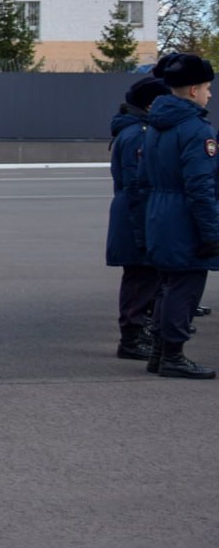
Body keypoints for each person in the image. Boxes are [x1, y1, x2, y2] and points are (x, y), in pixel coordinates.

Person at [142, 53, 218, 379]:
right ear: (192, 91)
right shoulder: (195, 129)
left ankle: (159, 353)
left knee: (167, 285)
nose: (209, 94)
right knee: (185, 285)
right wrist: (212, 233)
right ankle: (173, 356)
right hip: (185, 216)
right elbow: (201, 186)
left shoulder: (157, 124)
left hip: (159, 212)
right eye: (207, 88)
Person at [106, 76, 171, 360]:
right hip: (136, 213)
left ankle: (138, 331)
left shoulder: (138, 129)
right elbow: (136, 184)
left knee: (145, 277)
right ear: (151, 103)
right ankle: (131, 338)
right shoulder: (137, 134)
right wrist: (144, 229)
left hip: (137, 212)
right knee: (138, 277)